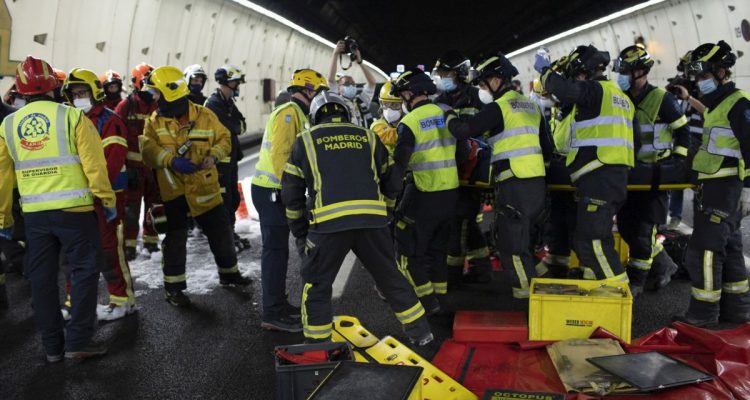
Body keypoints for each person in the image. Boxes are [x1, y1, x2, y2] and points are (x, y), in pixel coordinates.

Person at [281, 91, 434, 345]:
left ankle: (318, 347)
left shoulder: (304, 141)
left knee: (317, 285)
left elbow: (291, 194)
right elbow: (392, 179)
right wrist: (386, 211)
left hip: (328, 226)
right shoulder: (368, 137)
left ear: (315, 116)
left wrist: (299, 232)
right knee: (391, 278)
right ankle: (422, 333)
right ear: (345, 113)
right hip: (372, 223)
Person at [0, 56, 116, 360]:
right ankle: (78, 342)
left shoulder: (9, 125)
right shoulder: (73, 118)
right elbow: (95, 164)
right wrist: (106, 198)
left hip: (36, 217)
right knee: (83, 273)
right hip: (76, 213)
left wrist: (3, 216)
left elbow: (2, 176)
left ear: (21, 89)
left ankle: (52, 348)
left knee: (42, 279)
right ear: (55, 85)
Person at [140, 66, 251, 307]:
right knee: (175, 242)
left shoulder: (204, 115)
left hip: (204, 189)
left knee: (221, 233)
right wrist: (171, 160)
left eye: (156, 93)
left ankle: (230, 274)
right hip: (173, 193)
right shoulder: (154, 122)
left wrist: (213, 155)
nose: (154, 98)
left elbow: (225, 140)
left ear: (170, 93)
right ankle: (174, 289)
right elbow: (147, 152)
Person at [447, 53, 550, 299]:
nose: (481, 89)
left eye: (483, 84)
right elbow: (547, 147)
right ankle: (537, 283)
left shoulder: (499, 107)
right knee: (523, 239)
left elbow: (464, 130)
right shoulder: (531, 104)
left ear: (496, 80)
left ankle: (527, 298)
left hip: (514, 181)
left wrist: (448, 114)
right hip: (536, 184)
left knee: (510, 244)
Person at [535, 44, 636, 285]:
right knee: (594, 238)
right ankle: (612, 292)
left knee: (591, 241)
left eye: (576, 76)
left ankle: (618, 291)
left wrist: (546, 71)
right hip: (611, 176)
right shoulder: (622, 98)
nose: (576, 81)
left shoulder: (595, 90)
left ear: (584, 73)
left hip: (600, 175)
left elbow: (566, 91)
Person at [675, 41, 750, 326]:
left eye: (704, 76)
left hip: (728, 188)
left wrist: (747, 191)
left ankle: (702, 315)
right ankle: (737, 313)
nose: (699, 83)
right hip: (716, 186)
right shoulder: (718, 104)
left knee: (703, 251)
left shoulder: (739, 104)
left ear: (721, 72)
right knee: (729, 249)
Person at [252, 69, 328, 332]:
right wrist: (292, 192)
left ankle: (279, 305)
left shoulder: (297, 113)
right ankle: (272, 312)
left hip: (276, 191)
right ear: (308, 91)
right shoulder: (288, 114)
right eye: (319, 93)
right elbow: (281, 157)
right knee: (274, 252)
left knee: (280, 252)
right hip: (272, 191)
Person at [613, 45, 687, 295]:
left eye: (625, 71)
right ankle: (665, 264)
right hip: (629, 173)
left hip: (654, 175)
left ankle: (636, 281)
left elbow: (683, 131)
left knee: (644, 230)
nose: (621, 76)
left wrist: (677, 161)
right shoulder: (620, 98)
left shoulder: (661, 99)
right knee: (625, 225)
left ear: (640, 72)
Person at [62, 68, 134, 320]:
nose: (79, 97)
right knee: (76, 253)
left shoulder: (109, 121)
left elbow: (111, 165)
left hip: (107, 196)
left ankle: (122, 300)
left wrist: (98, 193)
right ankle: (74, 302)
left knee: (109, 250)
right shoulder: (71, 120)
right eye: (74, 93)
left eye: (83, 92)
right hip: (79, 198)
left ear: (95, 93)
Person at [391, 68, 458, 313]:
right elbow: (461, 151)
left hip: (423, 192)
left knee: (408, 252)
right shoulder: (447, 112)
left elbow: (399, 164)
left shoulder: (409, 123)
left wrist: (389, 195)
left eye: (402, 96)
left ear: (409, 93)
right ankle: (441, 297)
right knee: (437, 250)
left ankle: (428, 303)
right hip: (450, 192)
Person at [433, 50, 492, 287]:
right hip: (447, 172)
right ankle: (482, 270)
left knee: (461, 220)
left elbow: (488, 134)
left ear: (459, 74)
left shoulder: (479, 98)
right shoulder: (438, 102)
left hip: (473, 172)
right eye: (439, 74)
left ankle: (453, 274)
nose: (441, 78)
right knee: (460, 220)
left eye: (445, 73)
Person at [115, 62, 160, 260]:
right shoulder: (126, 106)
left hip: (154, 168)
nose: (150, 87)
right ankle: (129, 245)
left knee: (155, 206)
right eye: (146, 82)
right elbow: (116, 137)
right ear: (136, 83)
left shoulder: (159, 104)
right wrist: (123, 167)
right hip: (133, 168)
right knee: (130, 210)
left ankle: (151, 242)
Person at [204, 65, 250, 252]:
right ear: (225, 82)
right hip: (219, 161)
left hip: (230, 159)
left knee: (232, 199)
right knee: (223, 199)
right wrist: (235, 125)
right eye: (235, 82)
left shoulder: (228, 103)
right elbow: (232, 127)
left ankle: (229, 232)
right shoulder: (214, 104)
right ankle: (224, 237)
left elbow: (241, 126)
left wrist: (235, 125)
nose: (237, 85)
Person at [327, 39, 376, 127]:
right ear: (338, 88)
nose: (351, 86)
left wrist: (360, 62)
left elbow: (372, 83)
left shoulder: (361, 102)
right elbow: (331, 79)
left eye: (353, 84)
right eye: (346, 84)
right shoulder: (336, 100)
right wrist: (335, 54)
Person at [369, 80, 402, 154]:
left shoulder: (407, 121)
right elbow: (389, 136)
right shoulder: (377, 126)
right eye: (386, 104)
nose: (389, 109)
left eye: (395, 105)